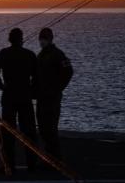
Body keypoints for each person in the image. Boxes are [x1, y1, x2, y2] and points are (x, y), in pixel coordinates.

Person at [0, 28, 38, 172]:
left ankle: (9, 164)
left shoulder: (4, 53)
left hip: (9, 94)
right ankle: (31, 163)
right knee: (29, 130)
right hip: (24, 96)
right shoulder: (29, 55)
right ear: (21, 39)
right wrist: (32, 90)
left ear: (10, 39)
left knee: (8, 131)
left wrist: (0, 85)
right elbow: (37, 74)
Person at [35, 27, 73, 161]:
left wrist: (58, 88)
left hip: (52, 98)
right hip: (41, 97)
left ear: (51, 39)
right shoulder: (41, 55)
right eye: (41, 38)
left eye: (45, 38)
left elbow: (68, 72)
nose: (42, 41)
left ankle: (55, 158)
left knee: (50, 128)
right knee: (43, 128)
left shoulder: (58, 54)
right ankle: (49, 156)